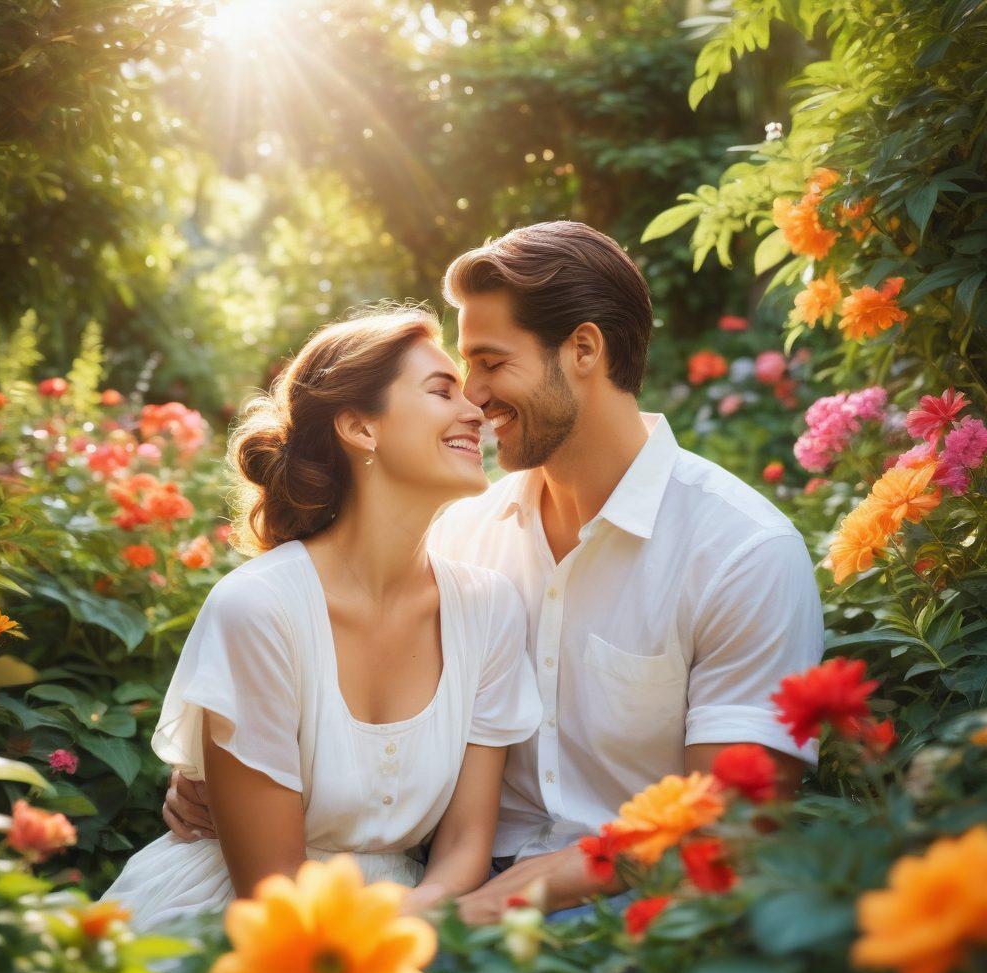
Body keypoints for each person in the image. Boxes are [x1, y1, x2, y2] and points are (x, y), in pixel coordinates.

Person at [163, 221, 825, 924]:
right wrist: (223, 776)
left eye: (488, 362)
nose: (472, 398)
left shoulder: (741, 552)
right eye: (457, 373)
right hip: (444, 887)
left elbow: (734, 818)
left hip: (631, 896)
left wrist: (533, 890)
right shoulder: (455, 532)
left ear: (583, 350)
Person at [102, 306, 542, 933]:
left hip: (412, 918)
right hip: (233, 923)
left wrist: (403, 926)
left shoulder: (488, 609)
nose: (474, 408)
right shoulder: (258, 610)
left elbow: (465, 849)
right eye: (441, 390)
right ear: (361, 428)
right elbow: (272, 895)